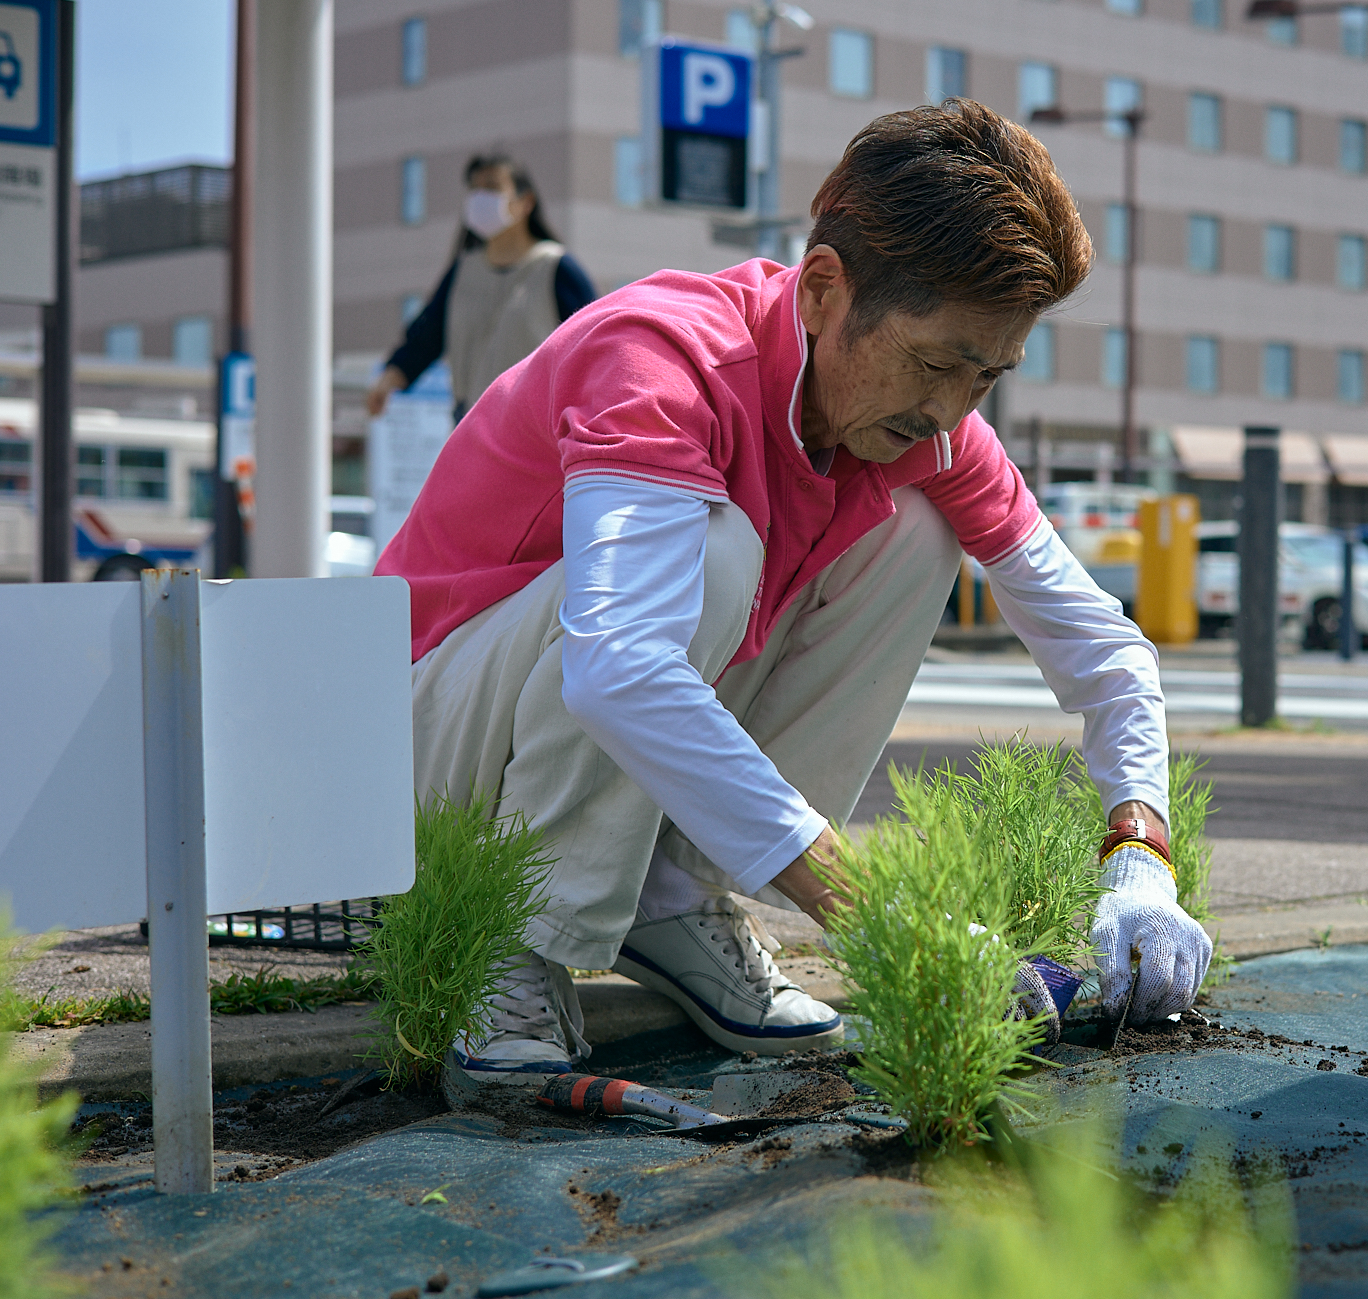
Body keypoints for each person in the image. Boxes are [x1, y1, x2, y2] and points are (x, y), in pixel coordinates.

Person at [378, 100, 1213, 1079]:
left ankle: (673, 901)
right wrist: (864, 908)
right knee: (710, 553)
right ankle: (514, 929)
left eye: (985, 377)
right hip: (415, 759)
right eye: (935, 361)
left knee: (917, 528)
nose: (949, 408)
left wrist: (1140, 867)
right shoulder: (663, 360)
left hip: (541, 728)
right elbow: (617, 669)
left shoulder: (920, 428)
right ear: (821, 290)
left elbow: (1105, 656)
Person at [366, 152, 599, 422]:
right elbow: (425, 338)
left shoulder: (555, 268)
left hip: (536, 435)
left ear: (526, 202)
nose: (479, 198)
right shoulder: (463, 271)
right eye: (474, 189)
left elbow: (593, 346)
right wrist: (389, 379)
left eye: (491, 187)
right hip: (470, 427)